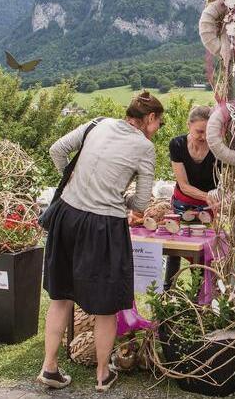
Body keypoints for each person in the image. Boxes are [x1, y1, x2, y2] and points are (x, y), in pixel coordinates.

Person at [39, 91, 163, 392]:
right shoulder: (144, 147)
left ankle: (50, 368)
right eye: (158, 122)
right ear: (148, 119)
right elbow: (141, 203)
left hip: (67, 215)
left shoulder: (97, 123)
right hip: (103, 225)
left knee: (60, 297)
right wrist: (120, 198)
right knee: (106, 305)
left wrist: (73, 181)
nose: (157, 128)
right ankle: (102, 375)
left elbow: (58, 150)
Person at [162, 106, 219, 288]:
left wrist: (215, 199)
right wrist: (206, 196)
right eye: (199, 131)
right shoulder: (177, 145)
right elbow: (184, 185)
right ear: (189, 125)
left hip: (209, 207)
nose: (203, 137)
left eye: (208, 132)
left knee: (204, 250)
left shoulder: (218, 148)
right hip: (183, 202)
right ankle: (168, 291)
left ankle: (201, 293)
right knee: (175, 248)